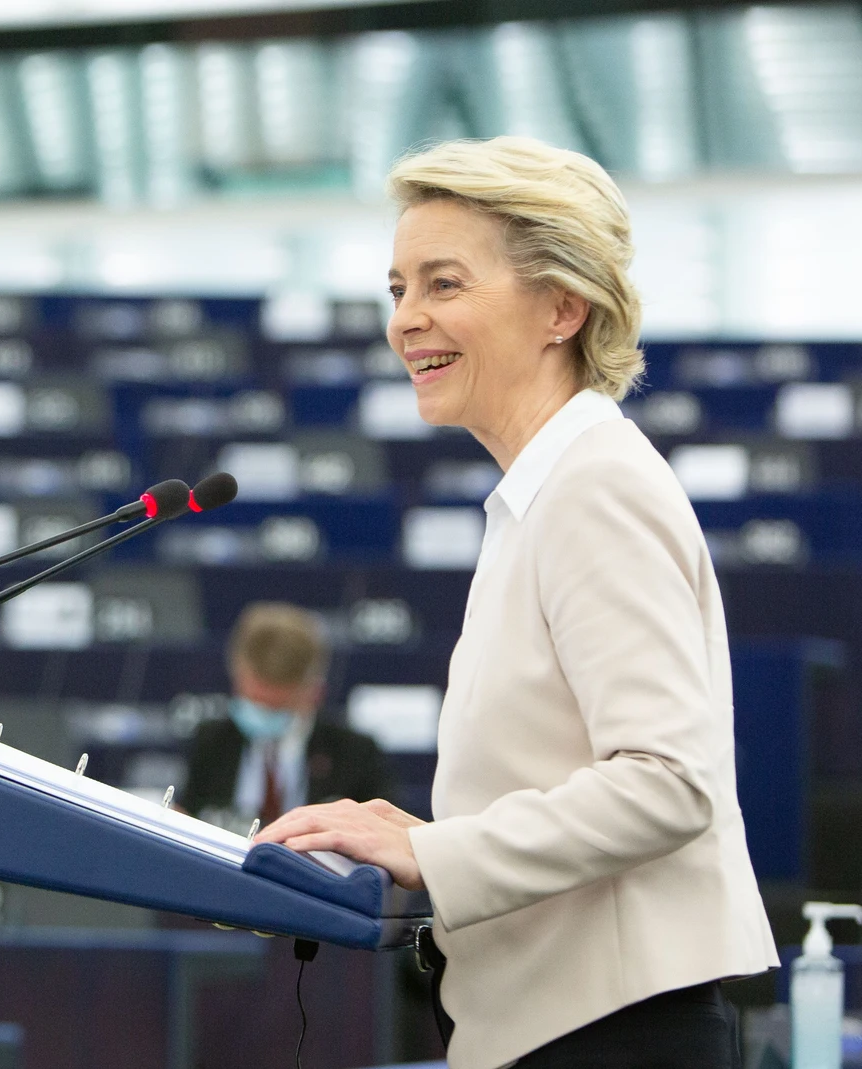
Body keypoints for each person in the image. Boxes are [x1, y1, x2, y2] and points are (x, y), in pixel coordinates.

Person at [255, 136, 778, 1069]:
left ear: (562, 308)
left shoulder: (595, 487)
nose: (406, 320)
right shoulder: (544, 491)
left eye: (443, 284)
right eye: (396, 289)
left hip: (613, 1034)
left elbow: (668, 780)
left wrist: (441, 856)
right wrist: (434, 836)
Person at [183, 602, 391, 834]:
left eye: (278, 707)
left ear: (315, 692)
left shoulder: (355, 754)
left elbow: (382, 839)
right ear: (237, 678)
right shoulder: (211, 742)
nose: (263, 715)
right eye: (255, 702)